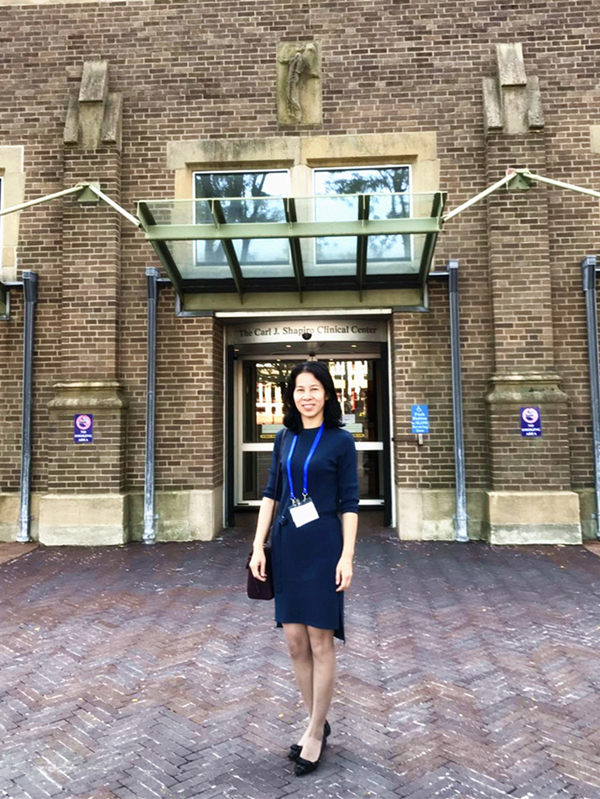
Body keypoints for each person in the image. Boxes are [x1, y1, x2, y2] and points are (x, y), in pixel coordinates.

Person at [249, 361, 359, 776]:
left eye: (314, 389)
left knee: (320, 640)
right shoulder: (284, 437)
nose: (306, 396)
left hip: (324, 547)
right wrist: (258, 546)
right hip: (288, 546)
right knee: (295, 641)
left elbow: (350, 504)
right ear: (291, 395)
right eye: (299, 389)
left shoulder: (341, 441)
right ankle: (317, 720)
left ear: (326, 394)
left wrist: (347, 556)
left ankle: (313, 733)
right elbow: (271, 494)